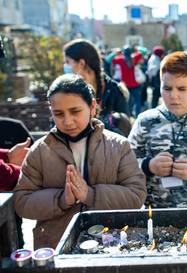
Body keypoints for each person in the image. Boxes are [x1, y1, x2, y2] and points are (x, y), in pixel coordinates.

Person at [13, 74, 146, 249]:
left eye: (75, 111)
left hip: (109, 246)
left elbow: (136, 196)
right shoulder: (40, 150)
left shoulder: (119, 146)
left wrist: (89, 194)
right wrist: (61, 200)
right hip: (56, 247)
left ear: (92, 107)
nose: (67, 121)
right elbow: (22, 202)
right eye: (58, 114)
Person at [128, 51, 187, 208]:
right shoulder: (145, 121)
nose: (174, 96)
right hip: (155, 215)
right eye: (167, 88)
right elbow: (125, 166)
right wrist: (149, 165)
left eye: (182, 89)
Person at [63, 39, 130, 134]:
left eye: (67, 62)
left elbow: (125, 127)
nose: (65, 66)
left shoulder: (115, 91)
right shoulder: (66, 91)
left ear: (81, 63)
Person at [112, 45, 142, 117]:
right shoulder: (134, 58)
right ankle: (138, 115)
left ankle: (128, 115)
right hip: (135, 84)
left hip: (125, 85)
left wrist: (116, 52)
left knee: (127, 101)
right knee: (137, 101)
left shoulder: (120, 59)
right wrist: (136, 49)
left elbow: (110, 59)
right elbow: (142, 53)